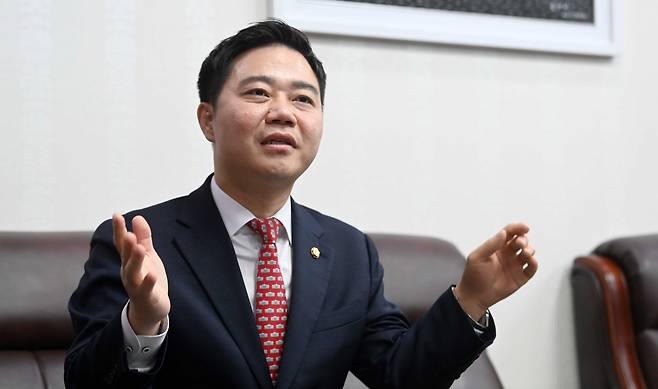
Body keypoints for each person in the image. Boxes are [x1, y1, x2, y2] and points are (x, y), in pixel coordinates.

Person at [65, 20, 537, 389]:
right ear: (208, 120)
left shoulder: (349, 251)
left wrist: (471, 300)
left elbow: (401, 377)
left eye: (303, 99)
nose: (283, 112)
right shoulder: (138, 243)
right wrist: (142, 321)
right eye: (258, 93)